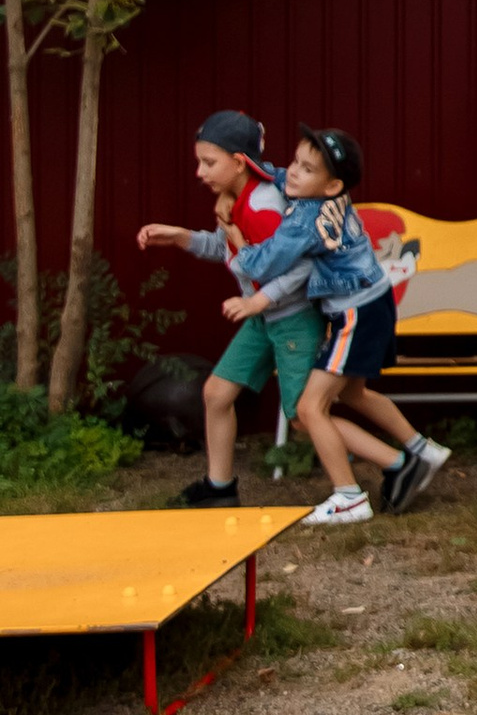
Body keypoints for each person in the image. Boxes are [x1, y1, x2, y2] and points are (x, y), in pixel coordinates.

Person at [226, 125, 450, 523]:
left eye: (306, 169)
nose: (293, 172)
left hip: (355, 314)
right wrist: (257, 169)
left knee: (310, 407)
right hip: (375, 301)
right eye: (296, 161)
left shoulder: (304, 223)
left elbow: (263, 264)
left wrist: (234, 236)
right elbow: (280, 177)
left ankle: (348, 497)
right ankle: (422, 449)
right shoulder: (325, 194)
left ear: (332, 186)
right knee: (354, 394)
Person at [136, 108, 319, 507]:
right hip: (262, 317)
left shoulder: (263, 206)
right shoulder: (234, 196)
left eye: (209, 162)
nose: (200, 172)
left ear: (238, 162)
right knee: (217, 394)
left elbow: (293, 269)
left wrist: (255, 297)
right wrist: (182, 236)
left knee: (304, 417)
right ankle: (219, 489)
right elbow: (227, 246)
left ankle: (394, 461)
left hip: (290, 317)